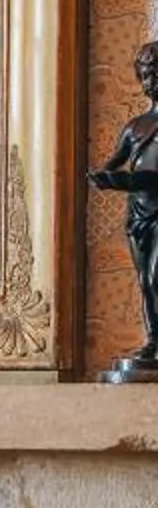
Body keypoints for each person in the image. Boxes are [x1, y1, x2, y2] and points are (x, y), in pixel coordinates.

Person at [91, 38, 158, 378]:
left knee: (155, 276)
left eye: (157, 74)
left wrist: (133, 181)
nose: (152, 82)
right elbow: (113, 165)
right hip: (139, 214)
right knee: (144, 281)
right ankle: (153, 341)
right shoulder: (135, 127)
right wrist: (101, 176)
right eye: (147, 75)